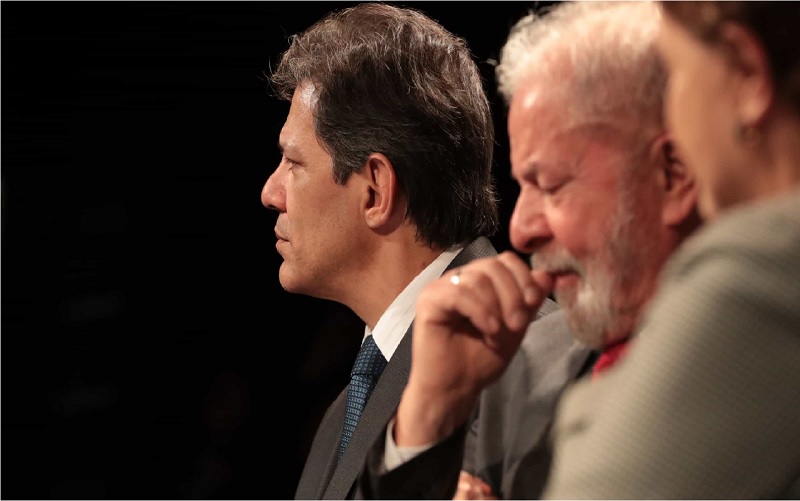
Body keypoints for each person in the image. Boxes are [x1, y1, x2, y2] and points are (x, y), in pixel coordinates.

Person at [354, 2, 702, 498]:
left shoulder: (768, 365)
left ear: (672, 174)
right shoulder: (518, 370)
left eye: (552, 185)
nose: (520, 231)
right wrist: (428, 414)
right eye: (522, 187)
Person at [260, 3, 576, 499]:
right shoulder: (342, 417)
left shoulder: (537, 365)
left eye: (293, 163)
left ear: (376, 191)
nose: (270, 192)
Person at [540, 2, 800, 498]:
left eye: (676, 73)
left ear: (747, 73)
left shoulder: (758, 268)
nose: (673, 122)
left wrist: (594, 413)